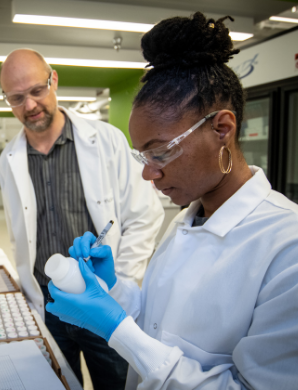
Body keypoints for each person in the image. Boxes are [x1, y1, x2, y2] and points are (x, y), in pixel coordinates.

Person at [46, 12, 298, 390]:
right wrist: (112, 290)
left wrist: (117, 332)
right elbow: (159, 325)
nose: (149, 174)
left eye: (160, 152)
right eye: (142, 158)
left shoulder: (287, 249)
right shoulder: (186, 221)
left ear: (221, 129)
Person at [0, 49, 164, 389]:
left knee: (115, 382)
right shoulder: (8, 160)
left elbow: (144, 217)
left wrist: (118, 285)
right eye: (16, 98)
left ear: (53, 80)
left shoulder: (107, 141)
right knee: (57, 382)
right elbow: (18, 234)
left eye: (36, 91)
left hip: (102, 302)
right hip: (49, 305)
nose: (29, 105)